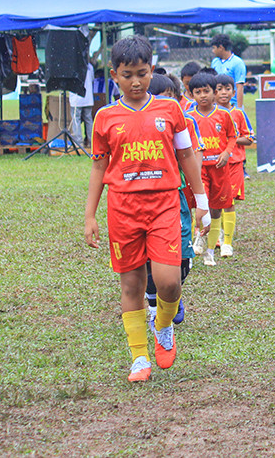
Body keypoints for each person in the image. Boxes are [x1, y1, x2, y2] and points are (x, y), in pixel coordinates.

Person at [84, 35, 209, 383]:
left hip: (165, 204)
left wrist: (201, 203)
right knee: (131, 286)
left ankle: (164, 326)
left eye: (141, 73)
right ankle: (139, 357)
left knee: (168, 282)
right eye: (127, 75)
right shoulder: (105, 118)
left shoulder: (170, 111)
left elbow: (187, 156)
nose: (135, 81)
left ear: (151, 70)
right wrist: (90, 215)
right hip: (123, 209)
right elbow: (98, 167)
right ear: (114, 75)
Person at [144, 73, 204, 329]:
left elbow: (193, 156)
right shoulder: (136, 123)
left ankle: (173, 294)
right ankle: (152, 300)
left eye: (171, 98)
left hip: (176, 197)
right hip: (144, 203)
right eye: (160, 98)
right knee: (147, 260)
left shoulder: (185, 123)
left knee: (181, 257)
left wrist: (198, 193)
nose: (166, 104)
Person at [186, 72, 238, 266]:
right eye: (197, 92)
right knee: (201, 206)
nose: (203, 96)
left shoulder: (224, 115)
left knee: (217, 210)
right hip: (199, 171)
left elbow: (233, 137)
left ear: (213, 92)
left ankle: (210, 252)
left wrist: (226, 152)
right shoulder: (189, 117)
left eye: (206, 91)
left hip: (220, 169)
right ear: (191, 95)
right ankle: (198, 237)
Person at [215, 74, 254, 257]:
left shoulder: (238, 113)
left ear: (233, 91)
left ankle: (227, 242)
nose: (223, 93)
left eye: (227, 89)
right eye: (219, 89)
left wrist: (231, 138)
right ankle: (215, 236)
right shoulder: (210, 114)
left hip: (234, 164)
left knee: (229, 201)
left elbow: (250, 138)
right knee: (213, 202)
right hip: (213, 165)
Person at [210, 34, 247, 108]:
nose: (213, 51)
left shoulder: (238, 63)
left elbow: (239, 87)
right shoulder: (214, 62)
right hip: (217, 105)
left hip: (232, 105)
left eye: (214, 48)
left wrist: (239, 110)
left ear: (220, 47)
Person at [69, 61, 95, 147]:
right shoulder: (89, 66)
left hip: (76, 98)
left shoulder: (72, 65)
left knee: (76, 120)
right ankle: (92, 142)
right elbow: (92, 79)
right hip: (88, 97)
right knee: (88, 120)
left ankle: (78, 143)